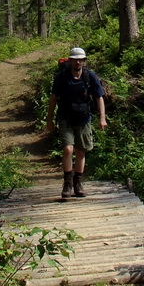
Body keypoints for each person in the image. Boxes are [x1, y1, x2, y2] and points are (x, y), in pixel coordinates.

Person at [46, 47, 107, 199]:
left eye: (80, 60)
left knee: (81, 151)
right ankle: (67, 183)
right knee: (68, 149)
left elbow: (99, 97)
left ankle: (78, 183)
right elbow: (54, 98)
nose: (78, 62)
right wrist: (49, 120)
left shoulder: (89, 76)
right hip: (65, 117)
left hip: (84, 118)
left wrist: (102, 118)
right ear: (70, 61)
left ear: (84, 61)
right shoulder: (61, 77)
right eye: (75, 59)